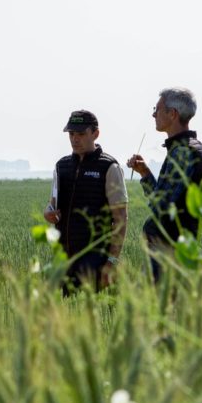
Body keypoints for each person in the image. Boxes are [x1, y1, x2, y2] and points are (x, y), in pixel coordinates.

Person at [126, 88, 202, 282]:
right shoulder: (187, 148)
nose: (153, 114)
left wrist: (146, 177)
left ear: (172, 114)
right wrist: (145, 173)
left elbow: (161, 207)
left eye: (157, 109)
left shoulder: (183, 151)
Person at [44, 110, 128, 294]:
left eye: (81, 134)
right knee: (68, 316)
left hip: (95, 258)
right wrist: (48, 213)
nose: (75, 139)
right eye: (71, 134)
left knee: (91, 316)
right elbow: (52, 204)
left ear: (95, 134)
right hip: (65, 257)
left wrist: (112, 262)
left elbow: (121, 219)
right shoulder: (61, 166)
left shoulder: (109, 167)